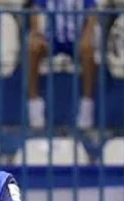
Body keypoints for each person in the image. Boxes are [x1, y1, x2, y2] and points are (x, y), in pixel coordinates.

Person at [26, 0, 97, 129]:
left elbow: (92, 12)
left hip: (76, 38)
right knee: (33, 48)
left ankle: (86, 105)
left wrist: (87, 34)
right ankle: (34, 103)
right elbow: (35, 11)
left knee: (88, 49)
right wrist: (36, 33)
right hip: (51, 38)